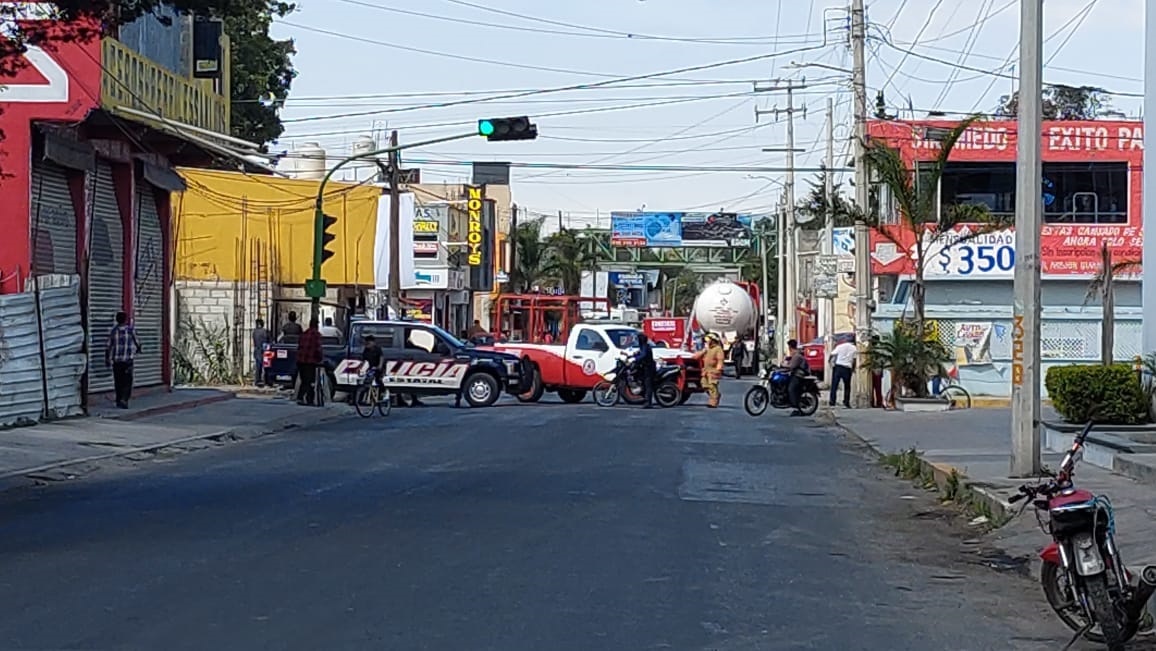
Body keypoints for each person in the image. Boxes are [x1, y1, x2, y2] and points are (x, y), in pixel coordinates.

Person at [105, 311, 141, 409]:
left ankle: (118, 400)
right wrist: (138, 350)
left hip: (117, 361)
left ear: (116, 320)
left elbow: (108, 346)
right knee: (127, 381)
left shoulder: (113, 331)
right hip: (128, 361)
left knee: (118, 381)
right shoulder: (130, 330)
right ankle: (124, 399)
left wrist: (107, 359)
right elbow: (137, 342)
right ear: (125, 320)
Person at [295, 318, 323, 406]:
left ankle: (300, 397)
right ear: (316, 325)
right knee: (311, 381)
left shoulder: (304, 334)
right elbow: (318, 349)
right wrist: (320, 359)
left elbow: (299, 347)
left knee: (304, 380)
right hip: (310, 362)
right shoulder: (316, 335)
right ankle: (309, 399)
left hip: (300, 361)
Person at [695, 334, 726, 408]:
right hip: (706, 370)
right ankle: (716, 395)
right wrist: (703, 351)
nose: (707, 342)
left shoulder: (718, 349)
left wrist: (719, 368)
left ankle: (713, 402)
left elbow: (720, 359)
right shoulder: (707, 349)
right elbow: (696, 357)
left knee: (712, 386)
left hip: (713, 371)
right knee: (704, 384)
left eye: (708, 340)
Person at [829, 335, 857, 408]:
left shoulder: (840, 346)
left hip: (838, 367)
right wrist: (853, 369)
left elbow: (832, 354)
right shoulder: (854, 348)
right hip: (847, 368)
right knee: (847, 386)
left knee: (834, 385)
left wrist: (830, 362)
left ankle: (832, 402)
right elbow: (854, 360)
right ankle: (846, 402)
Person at [785, 339, 807, 416]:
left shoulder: (797, 356)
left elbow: (792, 366)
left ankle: (796, 408)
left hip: (798, 375)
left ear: (790, 347)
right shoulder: (794, 355)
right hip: (794, 374)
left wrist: (783, 365)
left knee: (791, 389)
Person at [636, 332, 657, 408]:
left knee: (648, 385)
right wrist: (634, 355)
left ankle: (648, 402)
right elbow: (641, 354)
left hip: (648, 368)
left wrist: (636, 359)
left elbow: (643, 355)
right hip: (647, 367)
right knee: (644, 383)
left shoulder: (645, 346)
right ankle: (644, 398)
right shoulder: (644, 346)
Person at [252, 318, 270, 387]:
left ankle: (257, 380)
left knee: (258, 366)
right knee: (266, 366)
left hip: (257, 350)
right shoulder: (264, 331)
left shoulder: (254, 331)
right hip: (263, 350)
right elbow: (268, 340)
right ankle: (266, 380)